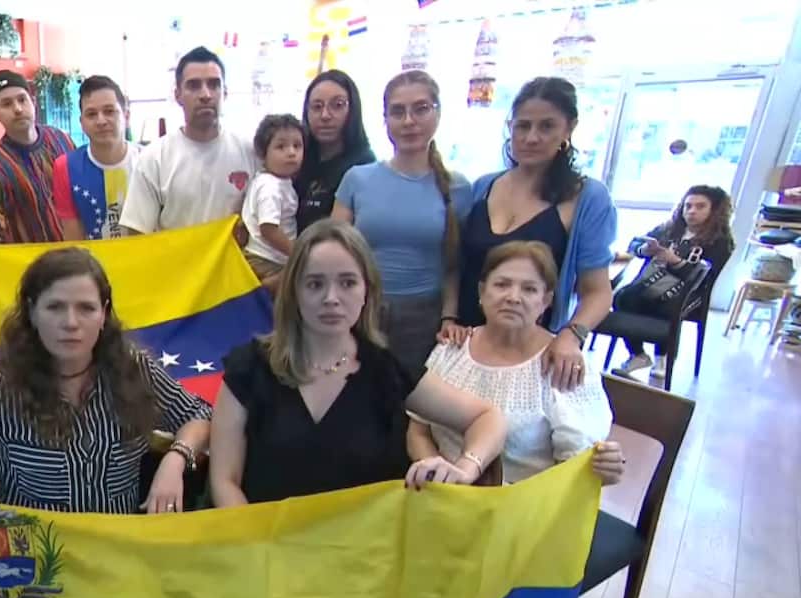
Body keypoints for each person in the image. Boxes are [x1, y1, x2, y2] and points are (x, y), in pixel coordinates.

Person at [0, 247, 213, 514]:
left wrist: (175, 459)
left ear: (104, 314)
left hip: (114, 551)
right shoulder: (2, 388)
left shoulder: (134, 369)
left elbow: (198, 413)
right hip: (30, 559)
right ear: (32, 312)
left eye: (86, 308)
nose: (71, 322)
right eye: (55, 307)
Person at [207, 219, 507, 506]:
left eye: (347, 283)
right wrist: (262, 551)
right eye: (314, 284)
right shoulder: (249, 368)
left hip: (363, 554)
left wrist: (467, 467)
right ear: (294, 292)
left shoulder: (388, 370)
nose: (331, 298)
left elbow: (488, 418)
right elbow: (225, 481)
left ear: (367, 291)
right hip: (265, 548)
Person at [408, 241, 624, 485]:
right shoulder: (452, 348)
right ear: (482, 291)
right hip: (441, 497)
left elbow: (577, 465)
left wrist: (603, 467)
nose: (513, 297)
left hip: (522, 507)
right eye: (502, 285)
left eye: (529, 289)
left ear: (546, 301)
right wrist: (437, 478)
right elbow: (418, 430)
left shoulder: (565, 364)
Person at [458, 76, 616, 391]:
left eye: (546, 126)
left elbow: (598, 291)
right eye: (523, 126)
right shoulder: (482, 187)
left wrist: (571, 336)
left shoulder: (586, 197)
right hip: (466, 342)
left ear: (568, 130)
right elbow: (456, 265)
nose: (532, 137)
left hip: (527, 347)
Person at [332, 70, 471, 372]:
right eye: (398, 112)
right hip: (360, 311)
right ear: (385, 120)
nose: (409, 121)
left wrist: (449, 318)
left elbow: (453, 265)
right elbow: (333, 254)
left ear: (438, 113)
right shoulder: (358, 179)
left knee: (408, 407)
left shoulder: (458, 188)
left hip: (424, 321)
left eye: (420, 109)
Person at [119, 46, 257, 235]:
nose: (205, 95)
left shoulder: (250, 152)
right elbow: (137, 232)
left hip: (235, 264)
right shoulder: (154, 159)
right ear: (178, 95)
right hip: (175, 264)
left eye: (214, 84)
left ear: (225, 93)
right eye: (194, 86)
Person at [612, 185, 735, 380]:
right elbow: (634, 243)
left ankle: (663, 357)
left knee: (669, 305)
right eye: (688, 206)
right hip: (653, 283)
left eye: (700, 206)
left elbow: (706, 277)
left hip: (690, 292)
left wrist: (675, 261)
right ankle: (637, 354)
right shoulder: (669, 228)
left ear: (714, 210)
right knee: (622, 298)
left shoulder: (721, 242)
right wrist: (645, 249)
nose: (692, 211)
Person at [0, 70, 76, 244]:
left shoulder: (61, 140)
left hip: (79, 256)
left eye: (22, 99)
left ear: (33, 102)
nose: (18, 109)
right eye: (7, 104)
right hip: (35, 266)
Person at [52, 75, 140, 240]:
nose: (101, 121)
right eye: (91, 114)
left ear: (126, 116)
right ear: (82, 122)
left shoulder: (149, 161)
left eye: (109, 111)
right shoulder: (65, 167)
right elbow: (74, 241)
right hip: (92, 264)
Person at [295, 70, 375, 234]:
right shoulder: (295, 160)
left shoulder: (365, 168)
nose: (325, 115)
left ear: (353, 110)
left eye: (337, 105)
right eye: (317, 107)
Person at [240, 113, 305, 292]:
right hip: (265, 260)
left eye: (297, 146)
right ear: (263, 153)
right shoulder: (270, 187)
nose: (291, 152)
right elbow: (268, 228)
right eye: (281, 146)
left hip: (271, 258)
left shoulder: (280, 182)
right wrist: (297, 253)